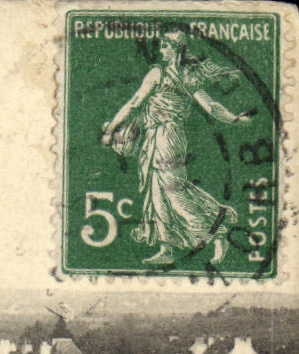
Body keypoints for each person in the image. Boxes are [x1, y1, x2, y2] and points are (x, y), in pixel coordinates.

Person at [100, 29, 252, 265]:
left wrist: (111, 130)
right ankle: (166, 248)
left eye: (165, 46)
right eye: (161, 46)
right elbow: (211, 107)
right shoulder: (187, 77)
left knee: (173, 192)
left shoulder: (159, 74)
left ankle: (217, 229)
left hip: (166, 137)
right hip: (158, 136)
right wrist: (233, 118)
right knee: (158, 192)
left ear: (175, 49)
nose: (161, 51)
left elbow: (134, 104)